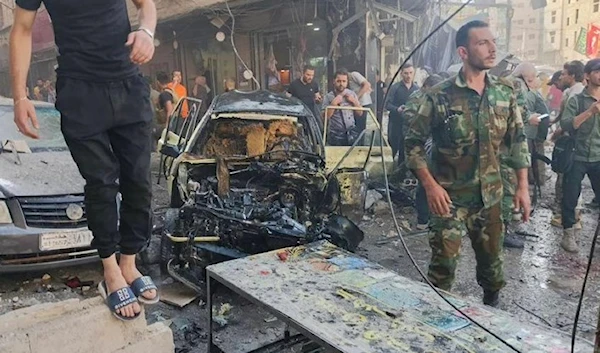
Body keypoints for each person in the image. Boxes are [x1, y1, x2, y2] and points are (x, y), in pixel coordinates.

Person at [10, 0, 158, 321]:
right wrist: (20, 96)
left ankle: (129, 264)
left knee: (139, 181)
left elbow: (146, 5)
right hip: (80, 91)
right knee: (102, 181)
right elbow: (21, 29)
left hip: (128, 83)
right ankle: (110, 269)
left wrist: (146, 31)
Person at [404, 21, 531, 307]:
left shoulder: (505, 92)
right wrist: (430, 186)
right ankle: (437, 323)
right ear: (463, 51)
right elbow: (411, 144)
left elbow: (518, 141)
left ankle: (491, 316)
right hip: (449, 200)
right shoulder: (439, 96)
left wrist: (523, 187)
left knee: (493, 269)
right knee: (443, 270)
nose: (492, 48)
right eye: (482, 43)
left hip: (491, 197)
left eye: (492, 41)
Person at [559, 59, 600, 253]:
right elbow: (568, 124)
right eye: (597, 72)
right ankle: (568, 234)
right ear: (587, 75)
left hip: (598, 156)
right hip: (577, 156)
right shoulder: (577, 100)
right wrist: (590, 112)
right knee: (570, 197)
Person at [403, 74, 444, 230]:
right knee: (424, 182)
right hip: (418, 145)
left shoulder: (433, 99)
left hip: (430, 144)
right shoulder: (417, 98)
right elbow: (410, 121)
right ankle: (422, 220)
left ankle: (431, 217)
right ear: (427, 87)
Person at [550, 61, 586, 229]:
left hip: (571, 142)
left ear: (572, 75)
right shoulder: (571, 92)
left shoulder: (577, 93)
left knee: (569, 179)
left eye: (564, 74)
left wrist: (558, 131)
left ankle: (571, 218)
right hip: (570, 141)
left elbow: (570, 121)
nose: (562, 76)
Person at [386, 63, 419, 167]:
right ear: (401, 74)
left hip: (409, 125)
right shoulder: (395, 88)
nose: (408, 76)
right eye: (406, 73)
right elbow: (387, 104)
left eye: (410, 73)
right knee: (393, 147)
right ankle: (389, 172)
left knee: (404, 150)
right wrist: (397, 109)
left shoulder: (417, 89)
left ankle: (401, 173)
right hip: (395, 123)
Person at [321, 70, 363, 146]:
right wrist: (333, 104)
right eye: (339, 81)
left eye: (344, 81)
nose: (341, 84)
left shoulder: (352, 94)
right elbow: (325, 117)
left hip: (351, 133)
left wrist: (354, 102)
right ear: (334, 81)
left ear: (347, 82)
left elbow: (360, 113)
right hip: (336, 135)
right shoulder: (328, 97)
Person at [348, 70, 373, 138]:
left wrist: (357, 97)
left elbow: (367, 84)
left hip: (363, 103)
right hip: (356, 104)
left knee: (362, 127)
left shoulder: (354, 74)